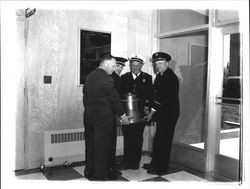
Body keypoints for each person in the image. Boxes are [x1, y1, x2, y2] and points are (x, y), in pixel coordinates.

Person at [84, 54, 129, 181]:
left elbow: (86, 98)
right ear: (106, 64)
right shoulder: (107, 79)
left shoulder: (90, 76)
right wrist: (123, 115)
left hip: (90, 116)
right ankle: (100, 175)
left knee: (92, 145)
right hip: (103, 118)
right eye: (113, 65)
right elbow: (114, 99)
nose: (114, 68)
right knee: (103, 147)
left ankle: (90, 171)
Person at [143, 52, 180, 175]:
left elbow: (161, 98)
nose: (158, 66)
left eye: (160, 63)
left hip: (169, 114)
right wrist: (148, 106)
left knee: (164, 141)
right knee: (158, 139)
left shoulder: (170, 77)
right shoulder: (160, 76)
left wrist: (151, 113)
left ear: (166, 64)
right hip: (162, 113)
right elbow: (155, 94)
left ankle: (161, 168)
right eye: (156, 64)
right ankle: (155, 163)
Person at [120, 54, 153, 170]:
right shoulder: (124, 77)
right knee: (128, 137)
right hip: (127, 115)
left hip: (140, 114)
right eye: (132, 66)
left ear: (141, 66)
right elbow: (120, 96)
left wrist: (147, 107)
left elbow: (150, 95)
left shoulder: (147, 78)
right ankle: (127, 161)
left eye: (137, 66)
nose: (135, 68)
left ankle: (135, 162)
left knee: (138, 138)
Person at [108, 57, 127, 176]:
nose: (120, 69)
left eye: (121, 67)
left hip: (114, 113)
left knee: (111, 141)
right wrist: (121, 114)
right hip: (111, 113)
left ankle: (111, 165)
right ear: (113, 66)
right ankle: (110, 167)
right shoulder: (112, 78)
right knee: (110, 141)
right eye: (118, 66)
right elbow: (115, 99)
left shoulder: (117, 78)